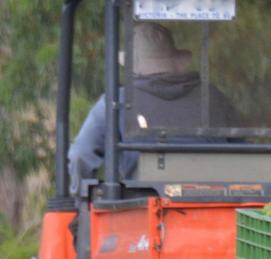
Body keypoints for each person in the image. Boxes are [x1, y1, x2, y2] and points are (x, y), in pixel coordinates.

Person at [68, 21, 239, 191]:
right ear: (175, 60)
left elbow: (80, 155)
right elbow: (244, 155)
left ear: (132, 64)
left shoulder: (115, 100)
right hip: (214, 204)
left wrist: (82, 200)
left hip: (141, 206)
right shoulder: (213, 97)